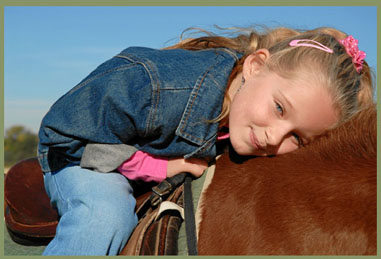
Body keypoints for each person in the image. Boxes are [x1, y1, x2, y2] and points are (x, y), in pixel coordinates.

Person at [37, 26, 374, 255]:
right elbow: (66, 134)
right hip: (78, 153)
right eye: (279, 107)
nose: (274, 136)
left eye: (297, 137)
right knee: (104, 217)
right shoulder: (154, 87)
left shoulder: (250, 114)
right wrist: (159, 166)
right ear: (256, 66)